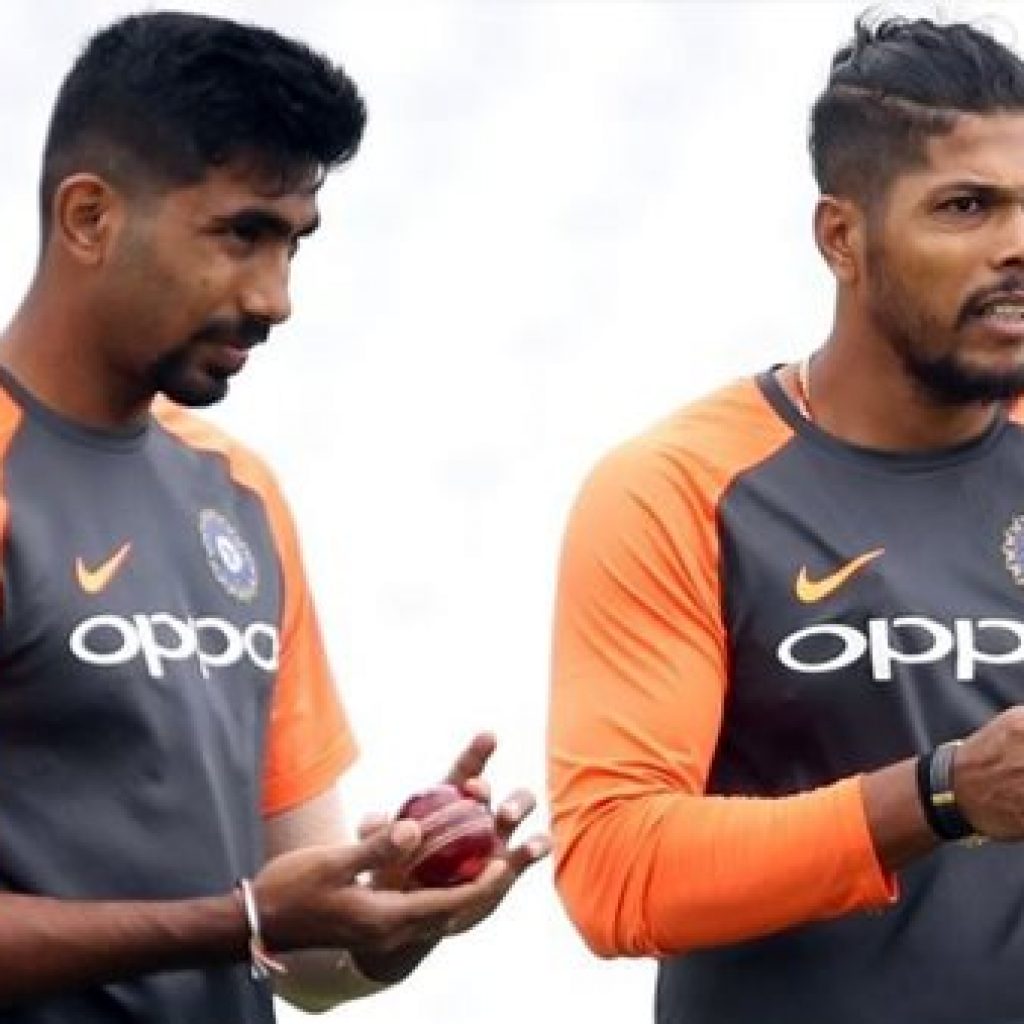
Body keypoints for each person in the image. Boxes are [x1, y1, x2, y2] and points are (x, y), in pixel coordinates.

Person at [0, 11, 549, 1022]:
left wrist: (394, 912)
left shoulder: (239, 495)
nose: (275, 298)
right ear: (88, 217)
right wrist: (240, 917)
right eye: (241, 234)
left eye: (293, 244)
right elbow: (255, 918)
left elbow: (303, 961)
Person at [548, 13, 1024, 1024]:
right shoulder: (679, 487)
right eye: (966, 207)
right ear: (842, 238)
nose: (1017, 248)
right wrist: (941, 794)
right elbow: (614, 872)